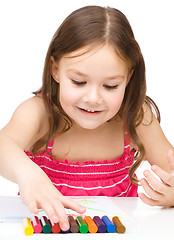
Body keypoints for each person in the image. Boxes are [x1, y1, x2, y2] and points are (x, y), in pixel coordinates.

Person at [0, 5, 173, 231]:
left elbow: (170, 169)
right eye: (79, 82)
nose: (93, 98)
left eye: (110, 86)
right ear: (55, 70)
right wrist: (27, 174)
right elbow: (4, 145)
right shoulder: (39, 113)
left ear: (128, 79)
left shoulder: (135, 116)